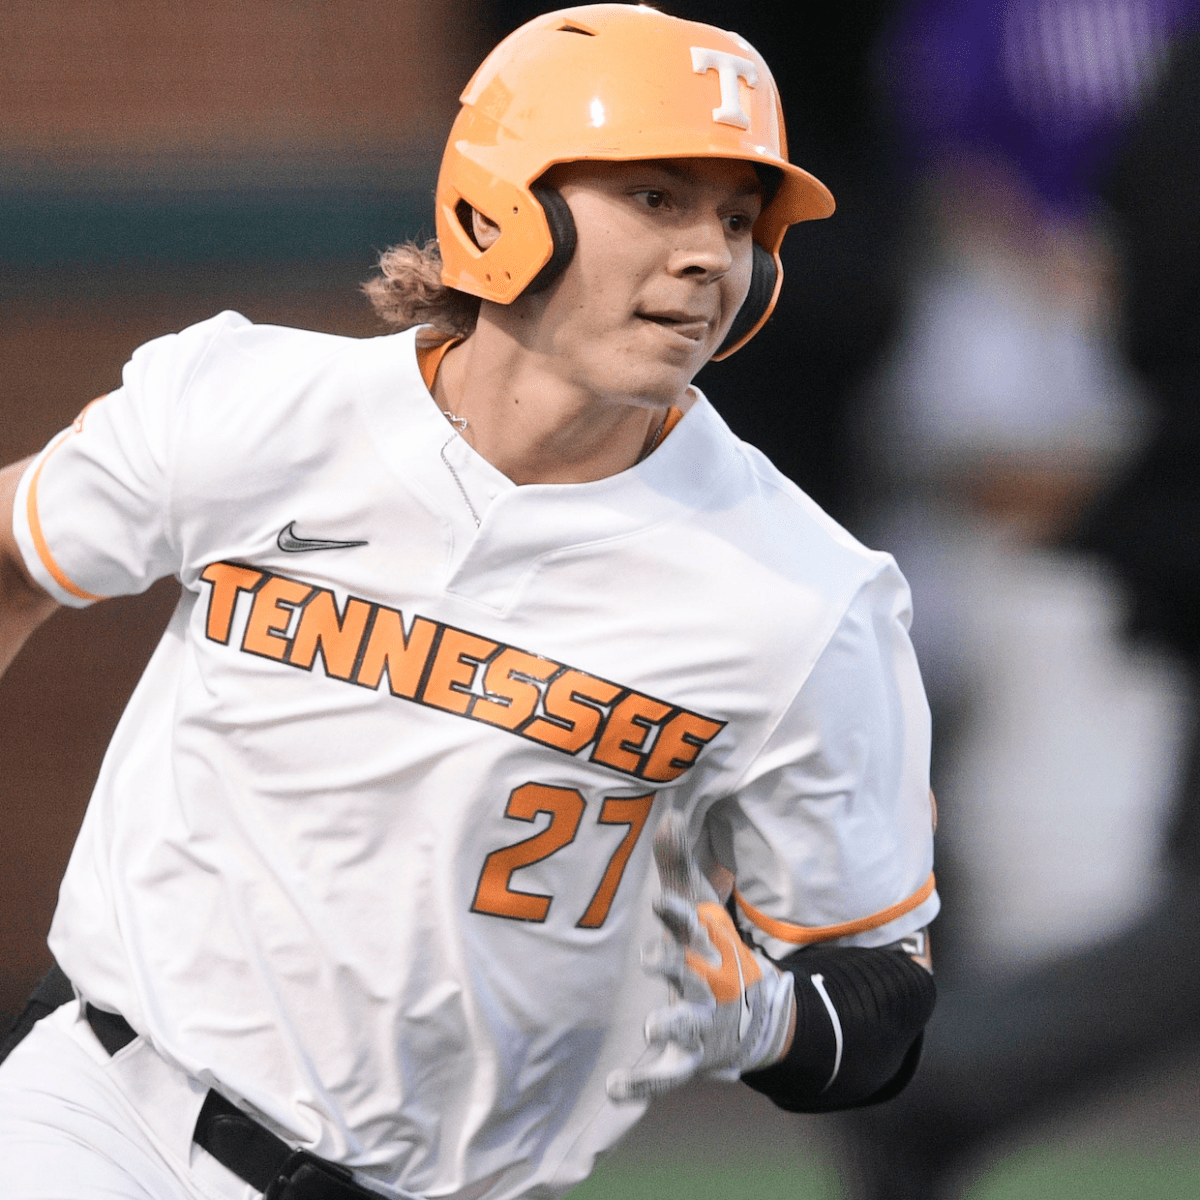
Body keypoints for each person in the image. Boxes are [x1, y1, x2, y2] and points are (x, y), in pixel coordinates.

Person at [0, 6, 938, 1199]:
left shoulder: (804, 596)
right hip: (103, 1122)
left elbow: (883, 1002)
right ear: (504, 205)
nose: (708, 253)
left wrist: (764, 1022)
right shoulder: (249, 407)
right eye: (655, 197)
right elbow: (13, 553)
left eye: (739, 218)